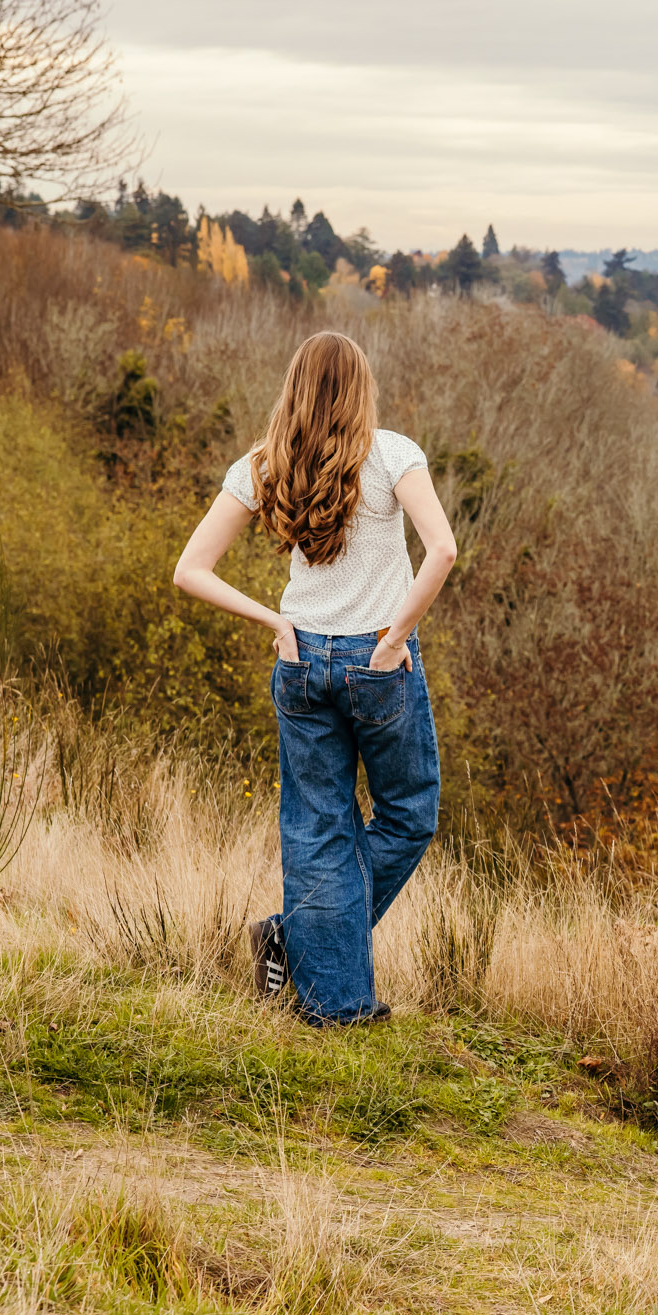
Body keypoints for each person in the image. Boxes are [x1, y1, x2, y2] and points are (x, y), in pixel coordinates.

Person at [172, 331, 457, 1024]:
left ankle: (302, 955)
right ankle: (336, 1001)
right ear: (362, 386)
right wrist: (394, 638)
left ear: (295, 384)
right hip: (376, 664)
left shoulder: (266, 463)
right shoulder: (393, 453)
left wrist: (274, 621)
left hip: (300, 661)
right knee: (409, 813)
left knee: (317, 830)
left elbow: (190, 569)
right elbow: (443, 548)